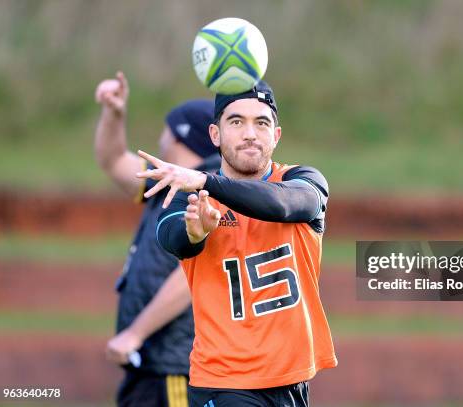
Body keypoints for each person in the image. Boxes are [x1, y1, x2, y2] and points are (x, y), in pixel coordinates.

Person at [136, 81, 337, 407]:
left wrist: (207, 180)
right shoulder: (192, 197)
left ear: (276, 135)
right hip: (225, 384)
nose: (250, 133)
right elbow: (170, 237)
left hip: (292, 382)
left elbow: (284, 205)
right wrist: (195, 233)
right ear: (215, 134)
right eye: (236, 121)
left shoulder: (302, 181)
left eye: (262, 122)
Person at [94, 71, 220, 407]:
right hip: (152, 365)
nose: (161, 140)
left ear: (182, 138)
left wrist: (136, 333)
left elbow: (192, 274)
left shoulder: (205, 192)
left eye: (166, 131)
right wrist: (113, 114)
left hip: (174, 368)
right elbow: (112, 159)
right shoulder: (168, 183)